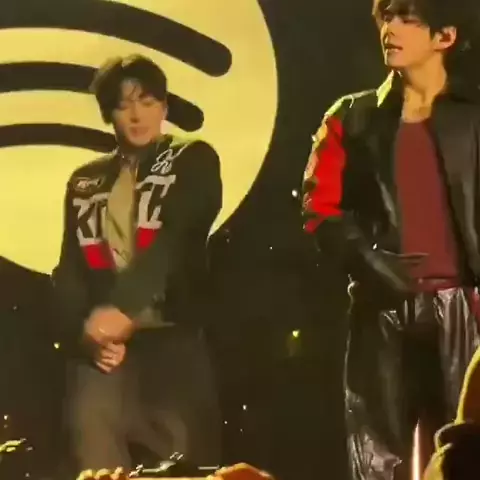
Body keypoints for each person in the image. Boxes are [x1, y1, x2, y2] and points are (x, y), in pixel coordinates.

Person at [302, 0, 480, 478]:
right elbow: (319, 209)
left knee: (466, 449)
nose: (390, 28)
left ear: (445, 36)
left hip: (465, 308)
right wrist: (372, 263)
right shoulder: (352, 117)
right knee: (378, 457)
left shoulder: (473, 116)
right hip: (381, 309)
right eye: (386, 17)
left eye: (407, 18)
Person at [51, 54, 222, 473]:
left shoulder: (191, 158)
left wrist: (122, 309)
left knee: (185, 468)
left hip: (172, 339)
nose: (136, 114)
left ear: (164, 107)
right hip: (104, 354)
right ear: (107, 113)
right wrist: (84, 334)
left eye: (147, 101)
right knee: (95, 461)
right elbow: (70, 269)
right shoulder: (85, 180)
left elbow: (176, 238)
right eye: (123, 104)